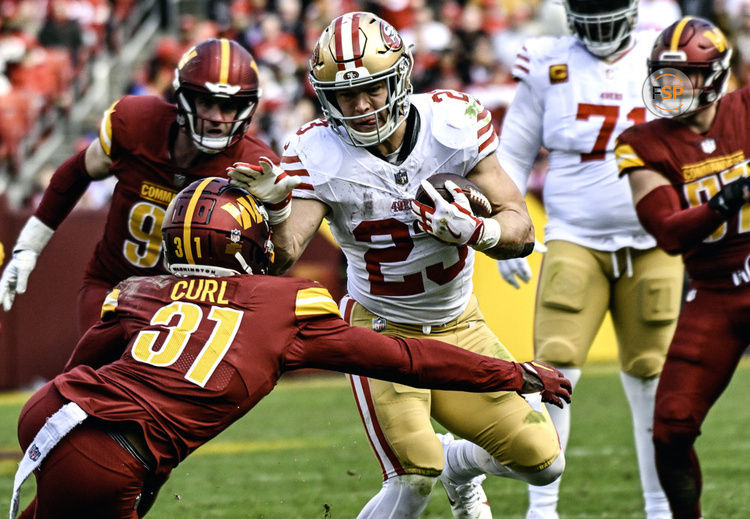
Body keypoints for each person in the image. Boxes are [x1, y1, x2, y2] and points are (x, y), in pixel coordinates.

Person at [9, 177, 572, 519]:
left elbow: (82, 365)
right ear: (245, 241)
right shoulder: (282, 306)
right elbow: (406, 358)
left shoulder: (139, 292)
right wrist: (511, 374)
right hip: (115, 454)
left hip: (59, 416)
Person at [228, 11, 566, 519]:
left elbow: (520, 228)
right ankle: (441, 467)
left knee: (544, 463)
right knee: (412, 478)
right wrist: (275, 211)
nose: (361, 106)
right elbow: (284, 254)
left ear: (401, 78)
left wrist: (477, 232)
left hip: (461, 325)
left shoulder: (452, 124)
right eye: (345, 95)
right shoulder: (316, 150)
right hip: (381, 331)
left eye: (373, 89)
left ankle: (460, 466)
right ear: (326, 97)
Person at [495, 1, 685, 518]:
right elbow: (511, 154)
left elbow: (695, 140)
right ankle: (543, 508)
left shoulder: (664, 53)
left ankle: (659, 508)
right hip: (575, 237)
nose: (599, 17)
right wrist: (507, 227)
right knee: (555, 369)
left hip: (654, 242)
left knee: (651, 378)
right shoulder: (547, 63)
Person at [0, 38, 278, 344]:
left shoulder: (255, 166)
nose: (216, 117)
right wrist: (29, 246)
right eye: (205, 101)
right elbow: (77, 171)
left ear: (248, 107)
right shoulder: (136, 123)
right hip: (114, 288)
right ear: (183, 97)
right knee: (94, 381)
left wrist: (279, 207)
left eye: (229, 106)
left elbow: (275, 254)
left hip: (192, 305)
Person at [616, 17, 742, 519]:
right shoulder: (642, 141)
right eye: (664, 75)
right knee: (670, 426)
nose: (671, 87)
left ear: (716, 74)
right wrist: (725, 200)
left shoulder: (747, 108)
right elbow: (667, 232)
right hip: (715, 292)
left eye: (686, 75)